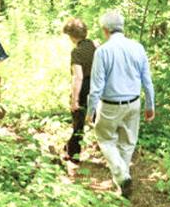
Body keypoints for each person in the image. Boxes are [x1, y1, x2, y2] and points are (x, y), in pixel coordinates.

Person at [86, 11, 155, 197]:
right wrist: (150, 105)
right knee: (127, 143)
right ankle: (123, 181)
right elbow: (147, 80)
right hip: (134, 103)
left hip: (109, 105)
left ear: (105, 30)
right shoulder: (138, 48)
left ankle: (122, 176)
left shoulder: (102, 51)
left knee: (105, 139)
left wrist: (90, 111)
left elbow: (96, 86)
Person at [63, 18, 97, 160]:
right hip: (98, 87)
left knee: (78, 122)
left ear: (71, 36)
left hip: (84, 87)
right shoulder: (95, 45)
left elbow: (78, 77)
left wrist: (74, 100)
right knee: (98, 120)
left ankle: (73, 154)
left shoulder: (76, 52)